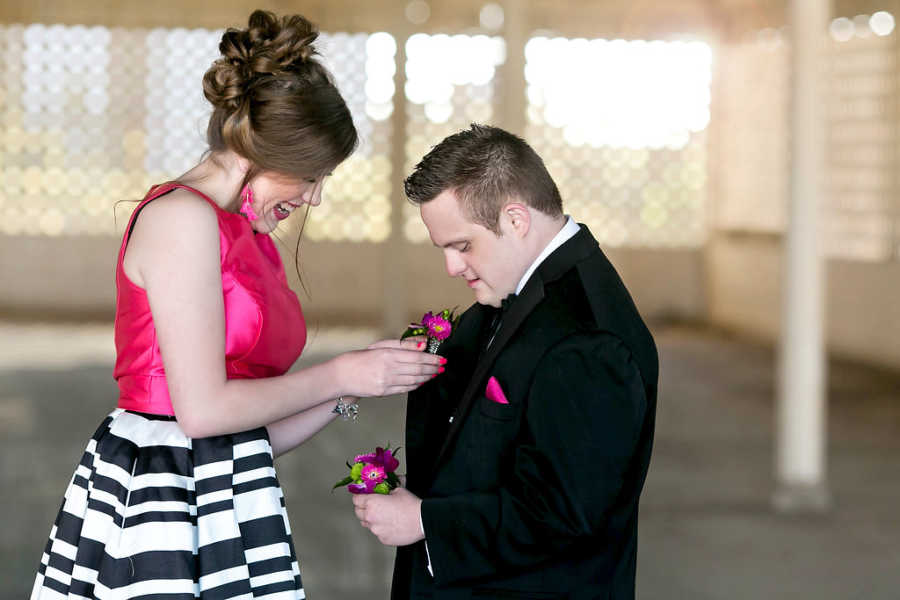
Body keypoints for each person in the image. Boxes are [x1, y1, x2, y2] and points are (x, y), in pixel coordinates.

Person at [31, 10, 443, 599]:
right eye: (311, 176)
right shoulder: (181, 219)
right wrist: (338, 371)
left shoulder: (243, 236)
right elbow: (201, 412)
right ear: (265, 151)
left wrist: (352, 388)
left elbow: (250, 436)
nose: (315, 198)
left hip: (225, 493)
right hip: (160, 501)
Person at [352, 124, 658, 599]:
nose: (452, 267)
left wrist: (423, 521)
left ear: (515, 219)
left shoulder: (588, 340)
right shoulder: (521, 291)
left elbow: (562, 513)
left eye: (462, 245)